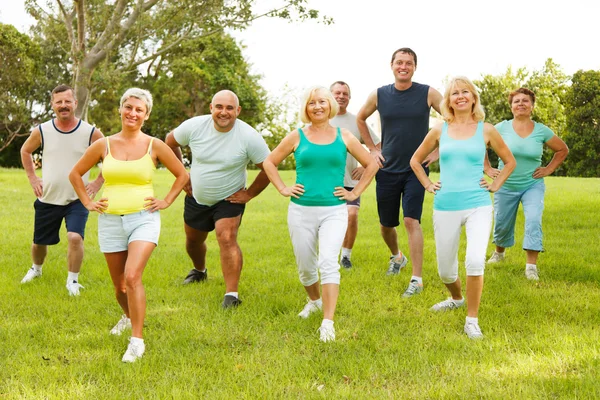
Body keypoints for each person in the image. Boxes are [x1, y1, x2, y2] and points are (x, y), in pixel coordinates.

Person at [69, 88, 188, 362]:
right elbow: (75, 173)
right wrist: (87, 202)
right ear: (120, 110)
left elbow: (182, 175)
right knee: (119, 285)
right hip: (110, 221)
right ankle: (127, 315)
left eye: (139, 110)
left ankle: (137, 341)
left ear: (146, 115)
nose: (133, 113)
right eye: (129, 107)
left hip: (143, 219)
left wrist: (167, 200)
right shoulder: (104, 145)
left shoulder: (154, 146)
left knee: (133, 276)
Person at [263, 86, 378, 342]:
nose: (318, 106)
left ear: (330, 106)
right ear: (307, 107)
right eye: (313, 103)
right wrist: (283, 187)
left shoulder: (344, 135)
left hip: (333, 211)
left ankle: (328, 322)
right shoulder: (296, 136)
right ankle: (313, 301)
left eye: (322, 102)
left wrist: (354, 191)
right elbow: (269, 162)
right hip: (300, 210)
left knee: (328, 262)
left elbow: (371, 163)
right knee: (305, 267)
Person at [410, 76, 516, 339]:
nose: (460, 96)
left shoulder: (487, 129)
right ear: (449, 100)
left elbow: (509, 162)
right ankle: (456, 298)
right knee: (445, 270)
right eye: (455, 93)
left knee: (475, 260)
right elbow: (415, 160)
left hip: (478, 204)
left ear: (473, 98)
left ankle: (471, 319)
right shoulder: (439, 130)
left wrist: (496, 184)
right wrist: (426, 183)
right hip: (446, 204)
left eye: (465, 92)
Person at [165, 90, 271, 309]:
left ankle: (231, 295)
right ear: (211, 108)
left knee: (226, 237)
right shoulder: (194, 126)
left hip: (230, 199)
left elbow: (269, 167)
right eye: (219, 107)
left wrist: (249, 194)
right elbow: (169, 142)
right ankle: (200, 271)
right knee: (193, 241)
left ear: (238, 111)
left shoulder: (249, 136)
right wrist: (182, 175)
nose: (224, 112)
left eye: (230, 108)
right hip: (197, 197)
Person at [356, 47, 443, 298]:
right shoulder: (380, 94)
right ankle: (397, 257)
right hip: (388, 169)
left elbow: (451, 119)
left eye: (409, 63)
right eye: (399, 62)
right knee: (386, 225)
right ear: (391, 65)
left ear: (415, 67)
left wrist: (437, 151)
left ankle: (417, 279)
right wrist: (373, 149)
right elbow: (361, 119)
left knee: (410, 220)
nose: (403, 66)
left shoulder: (428, 93)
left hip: (417, 169)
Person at [20, 84, 104, 296]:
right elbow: (25, 150)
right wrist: (32, 178)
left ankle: (72, 281)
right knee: (39, 242)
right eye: (59, 102)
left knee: (75, 237)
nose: (63, 105)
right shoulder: (42, 130)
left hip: (77, 199)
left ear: (75, 103)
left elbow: (109, 158)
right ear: (52, 105)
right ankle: (36, 269)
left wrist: (96, 182)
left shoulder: (91, 132)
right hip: (48, 198)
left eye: (68, 101)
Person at [485, 88, 569, 280]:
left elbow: (562, 149)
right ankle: (499, 253)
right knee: (502, 223)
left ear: (532, 105)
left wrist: (548, 169)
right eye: (516, 101)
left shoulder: (541, 130)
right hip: (505, 184)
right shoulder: (500, 128)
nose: (521, 104)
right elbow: (481, 144)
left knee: (533, 219)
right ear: (511, 106)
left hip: (532, 184)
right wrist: (487, 168)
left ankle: (531, 266)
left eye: (525, 101)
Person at [329, 81, 381, 269]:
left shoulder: (357, 121)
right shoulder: (320, 120)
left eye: (345, 93)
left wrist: (365, 166)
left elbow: (377, 146)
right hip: (325, 183)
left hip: (350, 181)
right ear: (329, 95)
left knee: (351, 215)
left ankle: (346, 256)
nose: (341, 96)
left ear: (349, 98)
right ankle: (327, 256)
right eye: (337, 93)